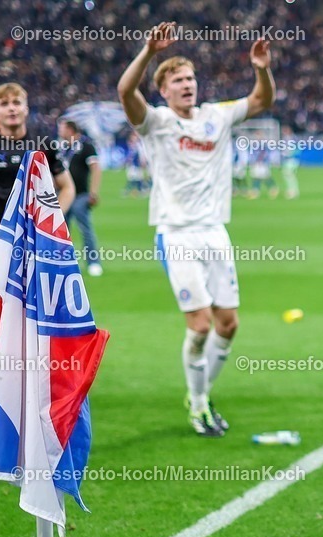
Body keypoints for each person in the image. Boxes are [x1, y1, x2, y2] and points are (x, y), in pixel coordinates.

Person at [117, 20, 276, 437]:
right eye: (178, 81)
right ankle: (199, 402)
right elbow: (125, 92)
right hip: (176, 233)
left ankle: (201, 394)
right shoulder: (156, 122)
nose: (187, 85)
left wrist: (261, 69)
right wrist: (149, 51)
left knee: (228, 325)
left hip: (214, 231)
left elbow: (262, 99)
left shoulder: (216, 116)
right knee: (201, 325)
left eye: (190, 78)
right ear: (163, 90)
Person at [0, 82, 74, 392]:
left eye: (16, 102)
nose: (11, 108)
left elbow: (67, 187)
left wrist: (50, 224)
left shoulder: (42, 144)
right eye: (5, 103)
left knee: (39, 306)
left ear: (26, 108)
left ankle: (39, 374)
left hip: (35, 244)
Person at [58, 118, 103, 276]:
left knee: (85, 229)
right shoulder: (63, 148)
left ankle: (93, 262)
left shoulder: (86, 146)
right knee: (61, 231)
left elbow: (96, 169)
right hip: (63, 195)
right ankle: (63, 262)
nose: (59, 131)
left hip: (81, 195)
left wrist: (93, 192)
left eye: (62, 128)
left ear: (70, 130)